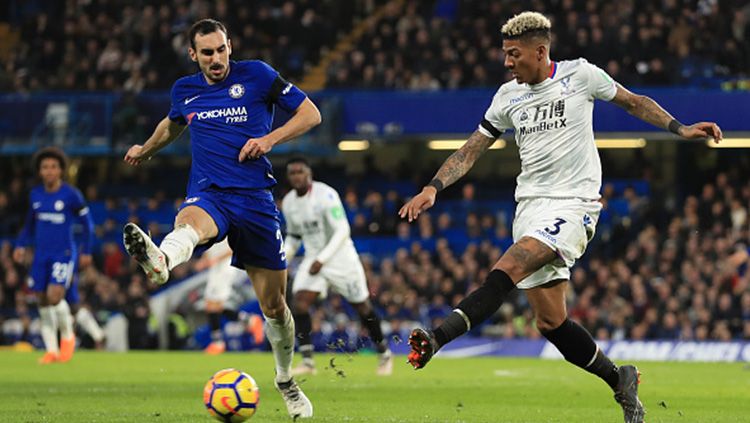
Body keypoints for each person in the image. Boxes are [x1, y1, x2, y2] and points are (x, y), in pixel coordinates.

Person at [399, 11, 722, 423]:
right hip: (529, 208)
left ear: (540, 50)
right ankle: (619, 378)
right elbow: (471, 150)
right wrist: (433, 187)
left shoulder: (581, 76)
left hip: (574, 204)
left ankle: (437, 336)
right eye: (505, 54)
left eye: (514, 54)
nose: (507, 62)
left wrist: (680, 128)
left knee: (509, 266)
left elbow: (633, 102)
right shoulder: (506, 97)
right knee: (551, 322)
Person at [121, 19, 321, 419]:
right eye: (207, 53)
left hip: (256, 202)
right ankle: (160, 262)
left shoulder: (259, 75)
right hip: (210, 193)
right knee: (189, 223)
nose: (216, 59)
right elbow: (171, 124)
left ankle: (285, 380)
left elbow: (310, 114)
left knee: (275, 307)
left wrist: (269, 139)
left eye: (221, 50)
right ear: (193, 55)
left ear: (230, 46)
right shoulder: (185, 90)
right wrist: (146, 148)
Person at [281, 158, 393, 376]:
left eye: (300, 171)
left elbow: (343, 230)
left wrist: (322, 259)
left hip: (341, 258)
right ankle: (308, 362)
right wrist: (283, 259)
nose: (296, 176)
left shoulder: (326, 195)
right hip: (314, 258)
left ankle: (384, 353)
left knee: (362, 307)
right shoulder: (288, 202)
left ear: (309, 172)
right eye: (292, 172)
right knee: (300, 304)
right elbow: (294, 236)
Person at [13, 147, 95, 364]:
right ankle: (51, 350)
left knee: (55, 296)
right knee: (41, 301)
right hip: (41, 255)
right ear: (40, 172)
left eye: (53, 167)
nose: (49, 171)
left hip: (64, 253)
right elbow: (29, 225)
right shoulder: (35, 195)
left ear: (61, 171)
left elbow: (88, 225)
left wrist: (86, 251)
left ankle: (68, 336)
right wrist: (20, 245)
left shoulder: (71, 195)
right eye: (45, 167)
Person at [196, 238, 263, 354]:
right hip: (216, 266)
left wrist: (216, 259)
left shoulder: (230, 222)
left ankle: (218, 343)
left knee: (213, 305)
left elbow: (235, 247)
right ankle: (249, 320)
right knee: (211, 306)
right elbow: (210, 245)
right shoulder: (211, 223)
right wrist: (204, 259)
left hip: (226, 265)